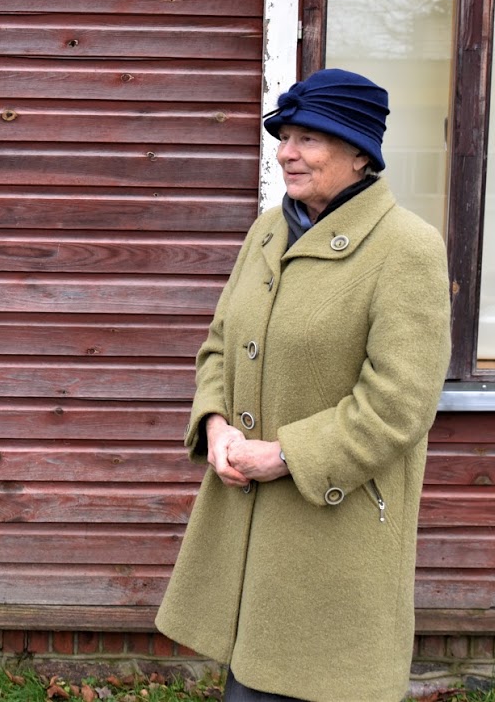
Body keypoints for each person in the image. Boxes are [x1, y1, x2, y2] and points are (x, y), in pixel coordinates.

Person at [154, 68, 452, 701]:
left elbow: (400, 402)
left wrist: (284, 454)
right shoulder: (269, 229)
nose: (286, 152)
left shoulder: (406, 248)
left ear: (359, 153)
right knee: (251, 679)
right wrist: (214, 426)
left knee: (314, 682)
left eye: (308, 139)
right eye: (284, 136)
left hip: (335, 535)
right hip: (248, 529)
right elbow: (218, 344)